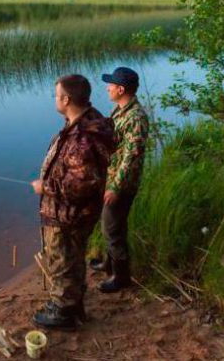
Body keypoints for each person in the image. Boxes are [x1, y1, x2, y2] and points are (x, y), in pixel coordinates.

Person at [31, 74, 114, 329]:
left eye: (57, 95)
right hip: (76, 213)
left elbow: (81, 184)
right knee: (73, 258)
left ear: (66, 99)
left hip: (67, 215)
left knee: (62, 262)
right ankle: (74, 305)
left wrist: (45, 186)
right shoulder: (86, 119)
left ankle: (64, 314)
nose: (55, 99)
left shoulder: (82, 138)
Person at [91, 67, 149, 293]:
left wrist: (115, 187)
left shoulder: (136, 118)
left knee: (112, 229)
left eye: (111, 85)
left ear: (121, 89)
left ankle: (121, 277)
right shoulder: (121, 109)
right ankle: (109, 264)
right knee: (111, 225)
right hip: (113, 178)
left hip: (122, 184)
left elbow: (131, 157)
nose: (108, 87)